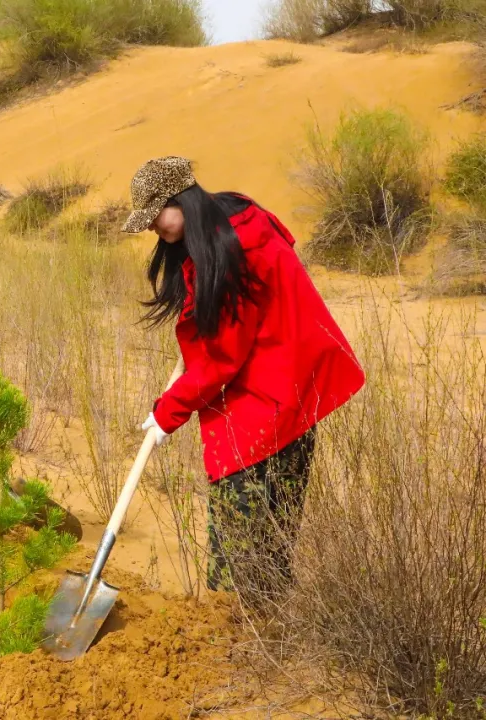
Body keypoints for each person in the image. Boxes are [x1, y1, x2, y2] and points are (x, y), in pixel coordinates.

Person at [123, 156, 365, 605]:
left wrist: (166, 414)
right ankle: (266, 635)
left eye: (155, 215)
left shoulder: (230, 251)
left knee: (238, 549)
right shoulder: (237, 218)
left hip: (266, 405)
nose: (152, 228)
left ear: (181, 201)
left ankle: (241, 645)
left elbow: (221, 359)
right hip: (293, 398)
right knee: (271, 541)